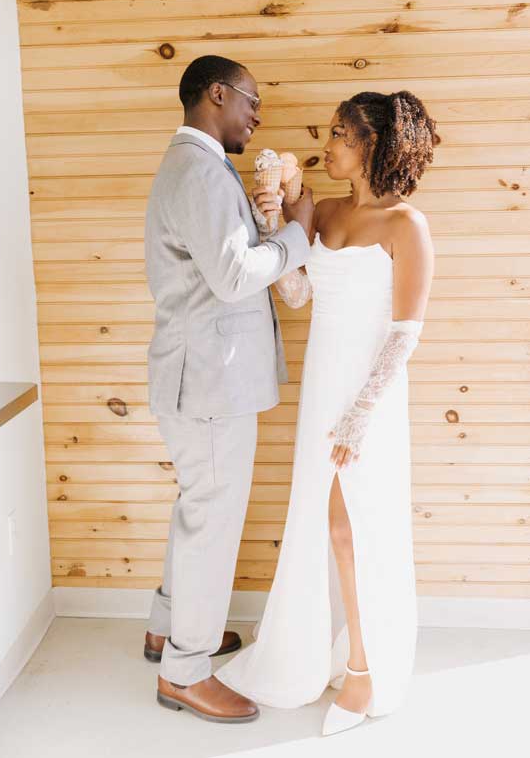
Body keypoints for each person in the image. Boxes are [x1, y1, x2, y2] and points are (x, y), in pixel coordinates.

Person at [216, 90, 436, 736]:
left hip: (369, 397)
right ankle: (322, 657)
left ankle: (365, 670)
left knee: (352, 528)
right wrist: (276, 223)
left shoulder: (407, 225)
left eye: (340, 133)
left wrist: (360, 414)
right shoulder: (326, 211)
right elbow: (296, 293)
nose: (328, 143)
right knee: (324, 523)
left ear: (373, 144)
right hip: (322, 386)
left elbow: (405, 333)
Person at [143, 55, 314, 723]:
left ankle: (167, 630)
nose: (257, 116)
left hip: (199, 378)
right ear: (216, 94)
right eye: (252, 101)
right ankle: (185, 670)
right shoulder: (199, 170)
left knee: (198, 511)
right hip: (210, 385)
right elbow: (235, 274)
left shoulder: (199, 167)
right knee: (210, 525)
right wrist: (298, 234)